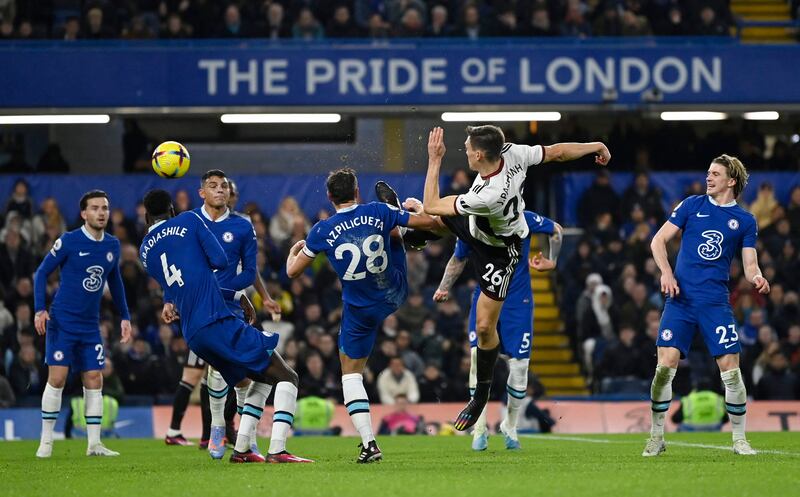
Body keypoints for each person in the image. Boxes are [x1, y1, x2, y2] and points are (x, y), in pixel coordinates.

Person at [422, 125, 610, 431]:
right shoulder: (513, 153)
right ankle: (408, 228)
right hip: (479, 230)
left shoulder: (488, 194)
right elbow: (558, 152)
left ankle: (480, 396)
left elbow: (434, 202)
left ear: (480, 155)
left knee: (485, 327)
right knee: (425, 220)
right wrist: (596, 143)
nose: (466, 151)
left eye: (468, 147)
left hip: (500, 251)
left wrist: (434, 159)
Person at [140, 189, 311, 463]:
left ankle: (241, 448)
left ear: (146, 216)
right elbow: (220, 261)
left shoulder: (145, 250)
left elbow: (187, 285)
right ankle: (277, 449)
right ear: (172, 210)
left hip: (193, 334)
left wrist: (233, 296)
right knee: (287, 376)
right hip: (216, 320)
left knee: (257, 378)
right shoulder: (189, 221)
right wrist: (235, 290)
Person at [285, 168, 441, 463]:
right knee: (392, 234)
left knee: (351, 373)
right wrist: (417, 211)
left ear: (329, 197)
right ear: (357, 191)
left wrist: (294, 251)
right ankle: (403, 233)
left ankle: (369, 443)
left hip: (359, 308)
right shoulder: (377, 210)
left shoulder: (321, 230)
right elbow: (432, 222)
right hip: (394, 292)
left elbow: (292, 272)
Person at [643, 154, 769, 457]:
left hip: (715, 303)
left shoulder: (745, 220)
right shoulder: (691, 206)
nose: (708, 178)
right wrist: (667, 273)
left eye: (715, 174)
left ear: (731, 180)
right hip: (680, 301)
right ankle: (656, 435)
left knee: (731, 370)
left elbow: (749, 263)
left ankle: (739, 439)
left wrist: (757, 276)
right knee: (665, 366)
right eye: (708, 173)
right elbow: (658, 241)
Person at [434, 209, 562, 450]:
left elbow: (555, 229)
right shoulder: (473, 222)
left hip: (517, 302)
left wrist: (552, 260)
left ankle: (510, 426)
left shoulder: (522, 217)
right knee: (476, 357)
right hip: (486, 297)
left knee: (520, 365)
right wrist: (444, 287)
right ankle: (479, 427)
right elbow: (458, 257)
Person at [33, 190, 132, 458]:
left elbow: (116, 282)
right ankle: (46, 442)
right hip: (63, 322)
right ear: (84, 214)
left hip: (90, 325)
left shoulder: (112, 245)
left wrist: (125, 316)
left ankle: (94, 444)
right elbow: (41, 273)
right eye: (96, 208)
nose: (102, 212)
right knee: (58, 378)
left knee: (94, 378)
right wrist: (40, 309)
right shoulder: (69, 241)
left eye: (105, 208)